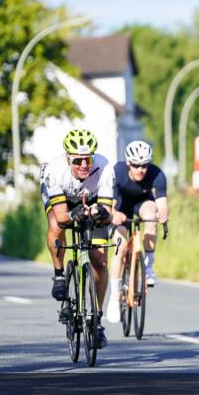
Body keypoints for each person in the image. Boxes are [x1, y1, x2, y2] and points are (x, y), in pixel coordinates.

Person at [41, 128, 114, 348]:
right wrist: (75, 214)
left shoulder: (105, 168)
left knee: (99, 261)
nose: (84, 164)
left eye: (88, 158)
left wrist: (100, 214)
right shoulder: (54, 171)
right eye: (78, 160)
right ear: (67, 158)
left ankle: (97, 320)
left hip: (92, 202)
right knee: (56, 224)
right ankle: (59, 274)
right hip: (63, 201)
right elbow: (63, 217)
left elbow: (108, 214)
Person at [104, 140, 168, 324]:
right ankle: (115, 297)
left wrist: (162, 214)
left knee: (151, 216)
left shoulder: (157, 174)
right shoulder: (117, 172)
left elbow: (162, 204)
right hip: (120, 205)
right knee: (121, 245)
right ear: (128, 163)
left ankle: (148, 267)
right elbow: (110, 207)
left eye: (144, 165)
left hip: (142, 202)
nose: (141, 169)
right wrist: (115, 215)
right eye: (136, 165)